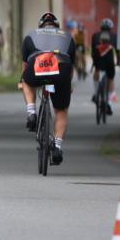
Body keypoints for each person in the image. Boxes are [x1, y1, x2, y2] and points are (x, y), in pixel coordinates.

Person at [20, 12, 76, 165]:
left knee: (26, 81)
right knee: (61, 110)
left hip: (37, 63)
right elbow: (71, 65)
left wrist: (23, 80)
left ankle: (31, 112)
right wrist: (67, 84)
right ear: (57, 26)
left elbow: (25, 66)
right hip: (62, 66)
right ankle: (57, 146)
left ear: (41, 26)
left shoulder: (31, 35)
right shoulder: (68, 36)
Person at [90, 18, 120, 115]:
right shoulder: (114, 36)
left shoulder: (95, 35)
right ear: (111, 28)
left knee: (96, 70)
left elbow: (92, 51)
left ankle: (96, 94)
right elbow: (118, 52)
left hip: (98, 59)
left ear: (101, 27)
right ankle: (108, 103)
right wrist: (118, 62)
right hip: (109, 61)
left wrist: (94, 62)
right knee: (110, 79)